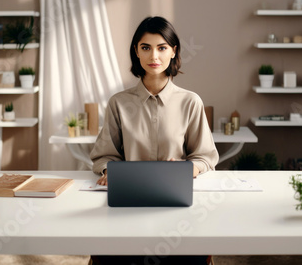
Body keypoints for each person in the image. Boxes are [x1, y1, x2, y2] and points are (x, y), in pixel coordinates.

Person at [89, 16, 218, 265]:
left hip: (177, 205)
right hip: (126, 206)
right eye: (146, 47)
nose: (153, 56)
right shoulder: (119, 103)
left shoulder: (191, 102)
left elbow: (205, 156)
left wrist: (188, 168)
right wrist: (108, 170)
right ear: (136, 51)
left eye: (162, 47)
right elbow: (103, 155)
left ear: (173, 51)